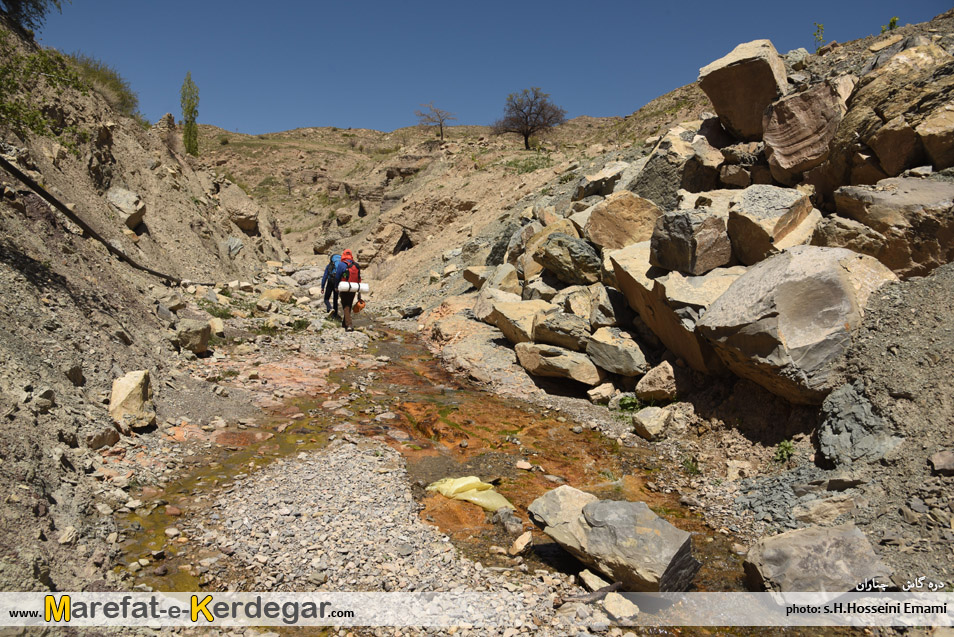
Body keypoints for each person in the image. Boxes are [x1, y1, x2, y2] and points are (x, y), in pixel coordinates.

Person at [334, 249, 362, 331]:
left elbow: (337, 276)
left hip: (345, 287)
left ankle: (349, 325)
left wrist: (336, 286)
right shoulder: (356, 265)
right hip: (353, 287)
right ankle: (345, 323)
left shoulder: (341, 264)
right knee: (349, 304)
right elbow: (359, 278)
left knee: (345, 306)